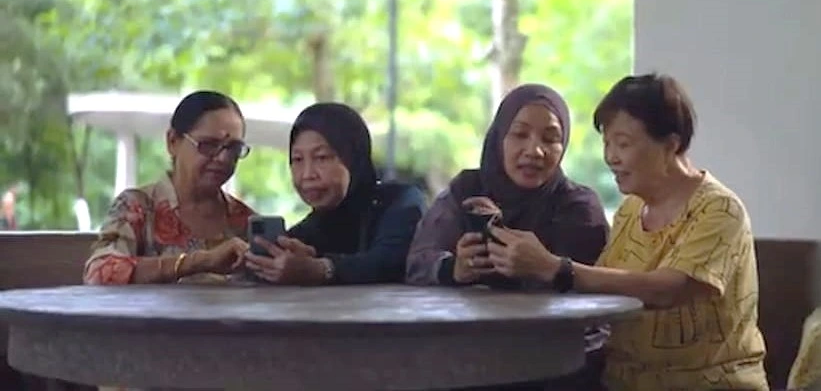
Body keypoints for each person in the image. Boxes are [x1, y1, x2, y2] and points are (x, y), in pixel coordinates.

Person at [490, 74, 768, 391]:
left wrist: (555, 267)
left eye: (623, 144)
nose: (611, 157)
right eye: (607, 143)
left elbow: (667, 290)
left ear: (670, 145)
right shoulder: (631, 210)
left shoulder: (719, 210)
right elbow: (603, 292)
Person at [405, 84, 609, 390]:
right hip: (466, 355)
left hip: (555, 364)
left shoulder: (578, 207)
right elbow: (419, 260)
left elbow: (593, 305)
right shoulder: (467, 190)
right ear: (500, 137)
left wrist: (541, 266)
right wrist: (454, 269)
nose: (534, 151)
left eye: (550, 138)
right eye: (520, 134)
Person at [83, 90, 255, 285]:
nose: (223, 158)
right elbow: (99, 274)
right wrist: (201, 261)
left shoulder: (246, 222)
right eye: (208, 144)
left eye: (233, 148)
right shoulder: (137, 208)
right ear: (173, 142)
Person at [245, 102, 427, 285]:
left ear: (354, 159)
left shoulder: (400, 202)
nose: (308, 174)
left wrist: (320, 269)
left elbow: (390, 262)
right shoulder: (305, 234)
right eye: (297, 159)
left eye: (322, 157)